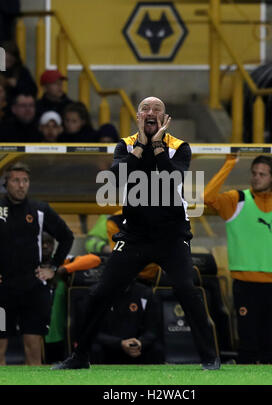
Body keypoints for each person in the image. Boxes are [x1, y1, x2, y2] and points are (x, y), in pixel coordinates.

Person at [52, 96, 220, 371]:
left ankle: (210, 358)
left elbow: (172, 179)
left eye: (157, 110)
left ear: (165, 119)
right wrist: (142, 145)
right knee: (100, 293)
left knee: (187, 290)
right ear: (138, 116)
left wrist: (155, 145)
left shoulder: (179, 147)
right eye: (145, 109)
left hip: (171, 235)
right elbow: (118, 178)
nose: (150, 113)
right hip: (135, 236)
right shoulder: (125, 145)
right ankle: (80, 357)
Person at [204, 154, 272, 364]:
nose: (256, 178)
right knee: (248, 345)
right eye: (254, 173)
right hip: (246, 285)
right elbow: (207, 197)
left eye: (262, 174)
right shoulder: (237, 200)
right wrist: (228, 164)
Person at [0, 162, 74, 365]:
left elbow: (67, 237)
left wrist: (53, 267)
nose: (21, 185)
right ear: (6, 183)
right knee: (0, 346)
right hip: (2, 288)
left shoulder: (39, 209)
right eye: (16, 180)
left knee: (33, 345)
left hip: (32, 288)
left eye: (25, 180)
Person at [36, 232, 101, 364]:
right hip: (35, 331)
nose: (45, 246)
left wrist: (60, 270)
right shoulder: (29, 263)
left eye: (49, 243)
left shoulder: (61, 261)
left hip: (59, 331)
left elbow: (94, 259)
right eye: (42, 243)